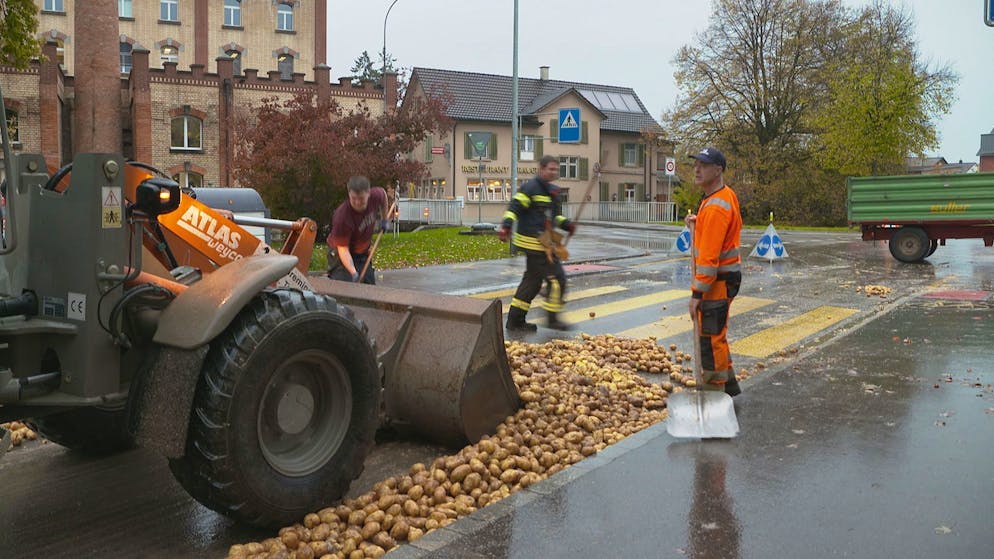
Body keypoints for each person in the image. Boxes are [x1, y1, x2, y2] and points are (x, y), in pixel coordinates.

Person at [685, 147, 742, 397]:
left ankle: (713, 397)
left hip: (716, 282)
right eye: (695, 164)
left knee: (710, 340)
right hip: (722, 279)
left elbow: (709, 258)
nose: (697, 169)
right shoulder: (717, 198)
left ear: (717, 170)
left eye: (703, 165)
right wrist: (698, 224)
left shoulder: (717, 206)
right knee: (716, 334)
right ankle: (727, 387)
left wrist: (697, 294)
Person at [498, 155, 576, 331]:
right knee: (557, 279)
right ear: (541, 169)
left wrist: (567, 224)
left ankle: (515, 321)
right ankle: (552, 320)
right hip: (533, 243)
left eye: (556, 169)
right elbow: (514, 208)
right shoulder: (531, 188)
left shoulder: (553, 192)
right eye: (550, 168)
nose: (554, 172)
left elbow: (554, 217)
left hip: (545, 243)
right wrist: (506, 226)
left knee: (532, 282)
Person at [327, 176, 390, 284]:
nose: (357, 202)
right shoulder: (342, 217)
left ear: (368, 193)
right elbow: (343, 249)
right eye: (353, 198)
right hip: (340, 254)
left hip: (362, 252)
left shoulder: (375, 196)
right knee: (345, 287)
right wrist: (353, 273)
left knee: (368, 286)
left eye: (361, 198)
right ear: (349, 194)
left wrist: (385, 220)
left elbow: (383, 195)